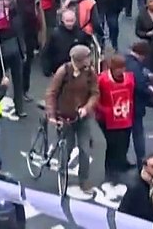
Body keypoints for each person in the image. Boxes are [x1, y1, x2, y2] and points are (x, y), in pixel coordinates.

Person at [44, 43, 100, 199]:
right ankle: (62, 173)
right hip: (65, 116)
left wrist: (87, 108)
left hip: (83, 117)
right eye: (87, 57)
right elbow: (52, 93)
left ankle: (84, 180)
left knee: (85, 149)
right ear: (80, 59)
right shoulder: (63, 72)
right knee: (66, 149)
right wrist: (52, 114)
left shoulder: (90, 73)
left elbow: (95, 93)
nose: (90, 60)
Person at [96, 54, 136, 183]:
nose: (121, 71)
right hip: (108, 120)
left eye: (123, 67)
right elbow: (95, 97)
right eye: (119, 68)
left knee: (124, 142)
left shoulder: (130, 79)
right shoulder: (102, 80)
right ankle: (110, 169)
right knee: (112, 145)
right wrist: (103, 111)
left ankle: (122, 162)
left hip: (125, 116)